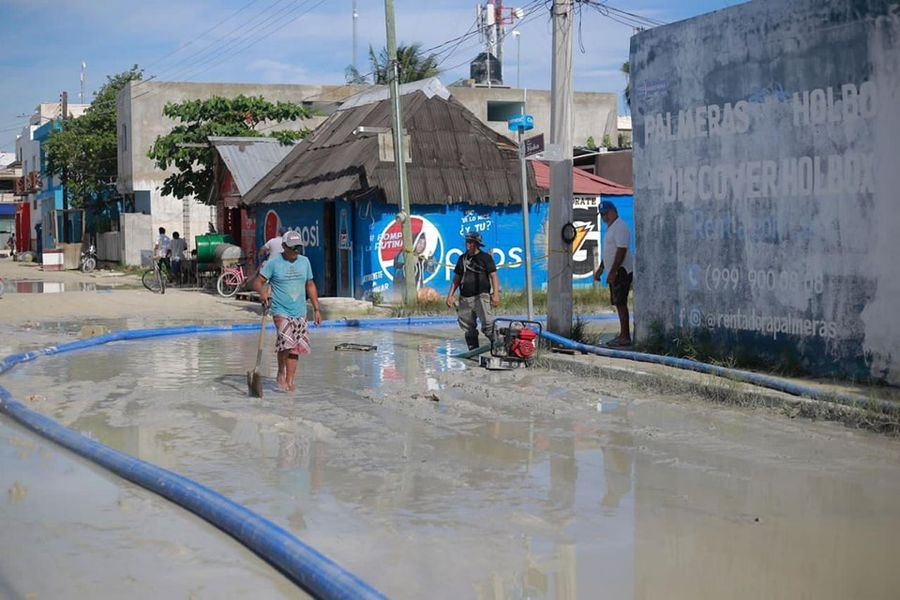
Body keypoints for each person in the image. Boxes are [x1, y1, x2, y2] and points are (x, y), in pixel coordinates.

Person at [253, 230, 322, 392]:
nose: (296, 250)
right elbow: (258, 282)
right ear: (284, 246)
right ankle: (280, 372)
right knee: (287, 344)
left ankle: (290, 381)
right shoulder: (274, 263)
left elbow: (310, 285)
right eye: (293, 247)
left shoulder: (304, 262)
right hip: (280, 310)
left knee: (295, 348)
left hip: (300, 311)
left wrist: (317, 309)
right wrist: (262, 293)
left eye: (299, 247)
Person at [445, 232, 500, 350]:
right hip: (465, 298)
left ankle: (498, 347)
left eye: (471, 242)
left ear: (477, 244)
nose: (468, 244)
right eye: (467, 242)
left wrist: (495, 295)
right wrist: (450, 295)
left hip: (482, 296)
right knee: (467, 327)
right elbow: (456, 279)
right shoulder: (462, 259)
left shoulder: (486, 258)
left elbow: (494, 276)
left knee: (488, 324)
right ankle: (473, 349)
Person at [594, 200, 634, 347]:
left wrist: (614, 271)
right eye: (602, 215)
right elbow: (609, 253)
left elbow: (621, 250)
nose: (604, 217)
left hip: (621, 272)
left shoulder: (620, 227)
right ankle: (623, 334)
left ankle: (625, 336)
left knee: (621, 303)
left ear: (613, 211)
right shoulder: (611, 228)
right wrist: (601, 269)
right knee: (617, 303)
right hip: (614, 271)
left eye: (605, 213)